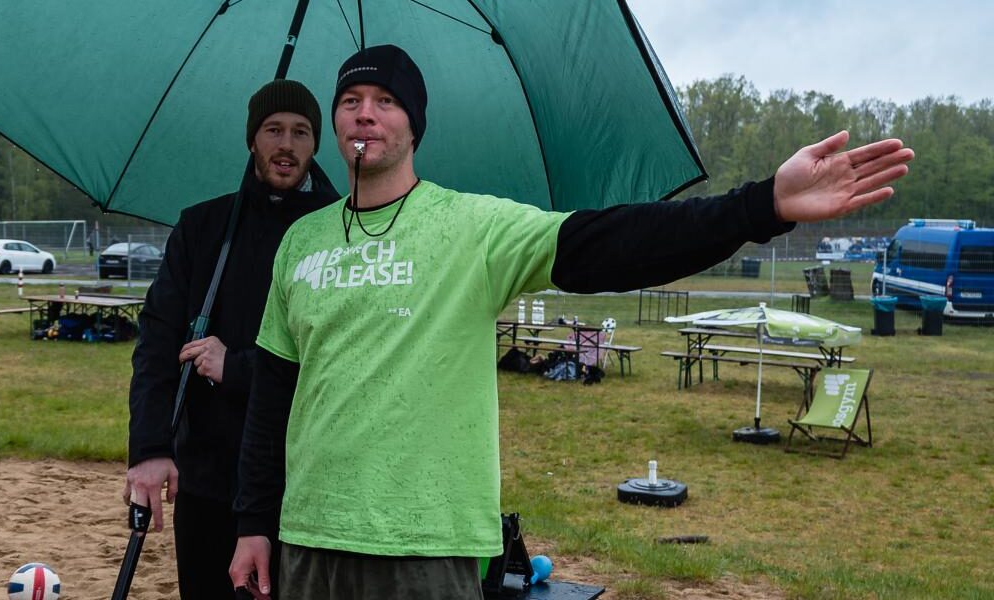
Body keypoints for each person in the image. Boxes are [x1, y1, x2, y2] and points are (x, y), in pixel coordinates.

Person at [229, 45, 914, 600]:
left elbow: (609, 242)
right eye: (351, 100)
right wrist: (254, 522)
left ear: (414, 125)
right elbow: (272, 396)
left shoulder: (471, 227)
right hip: (309, 536)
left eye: (386, 100)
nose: (365, 114)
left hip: (425, 545)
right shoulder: (302, 243)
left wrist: (762, 206)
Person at [124, 79, 340, 600]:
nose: (286, 145)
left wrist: (237, 367)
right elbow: (156, 344)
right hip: (208, 475)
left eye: (301, 132)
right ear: (251, 139)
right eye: (273, 129)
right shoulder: (204, 227)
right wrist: (150, 448)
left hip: (305, 481)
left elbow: (341, 359)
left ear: (316, 144)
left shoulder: (341, 231)